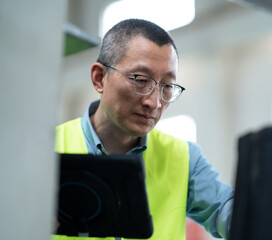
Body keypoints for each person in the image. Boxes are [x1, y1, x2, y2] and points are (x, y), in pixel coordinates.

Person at [55, 19, 234, 240]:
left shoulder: (184, 158)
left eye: (167, 87)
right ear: (99, 78)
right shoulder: (47, 150)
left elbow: (230, 213)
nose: (155, 103)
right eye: (140, 80)